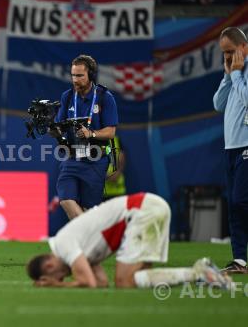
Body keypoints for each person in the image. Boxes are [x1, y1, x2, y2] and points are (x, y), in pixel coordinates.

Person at [26, 192, 232, 289]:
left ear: (50, 265)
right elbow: (100, 283)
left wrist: (56, 286)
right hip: (148, 208)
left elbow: (87, 282)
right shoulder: (78, 249)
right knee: (139, 279)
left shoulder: (63, 244)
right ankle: (202, 274)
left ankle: (199, 273)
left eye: (58, 276)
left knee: (125, 282)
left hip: (142, 211)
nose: (63, 277)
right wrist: (63, 283)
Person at [51, 55, 118, 219]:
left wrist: (92, 133)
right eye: (73, 75)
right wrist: (54, 131)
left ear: (91, 75)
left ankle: (90, 240)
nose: (75, 79)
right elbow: (59, 125)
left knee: (89, 208)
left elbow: (111, 132)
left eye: (80, 75)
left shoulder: (104, 97)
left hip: (96, 159)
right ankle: (89, 236)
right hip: (72, 158)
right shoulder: (67, 97)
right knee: (66, 199)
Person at [213, 26, 248, 274]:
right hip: (231, 148)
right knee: (234, 204)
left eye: (231, 51)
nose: (227, 56)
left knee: (240, 200)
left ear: (244, 48)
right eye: (224, 53)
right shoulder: (234, 72)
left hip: (247, 146)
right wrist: (227, 76)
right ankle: (240, 260)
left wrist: (235, 76)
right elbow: (218, 104)